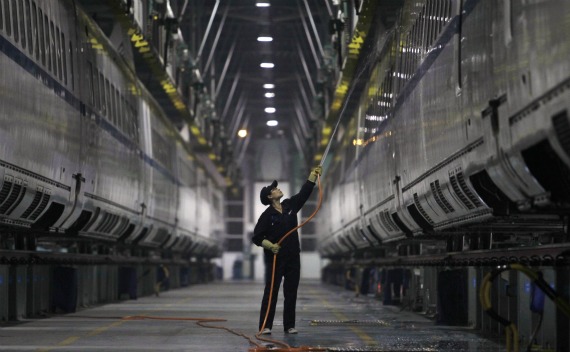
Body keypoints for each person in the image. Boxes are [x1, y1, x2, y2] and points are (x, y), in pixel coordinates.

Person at [252, 166, 322, 335]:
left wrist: (312, 177)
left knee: (291, 291)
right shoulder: (266, 216)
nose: (278, 189)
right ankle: (265, 325)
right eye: (274, 189)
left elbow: (303, 195)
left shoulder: (290, 205)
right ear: (270, 197)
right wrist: (270, 245)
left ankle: (289, 325)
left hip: (292, 257)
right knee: (271, 291)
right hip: (275, 258)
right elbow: (257, 237)